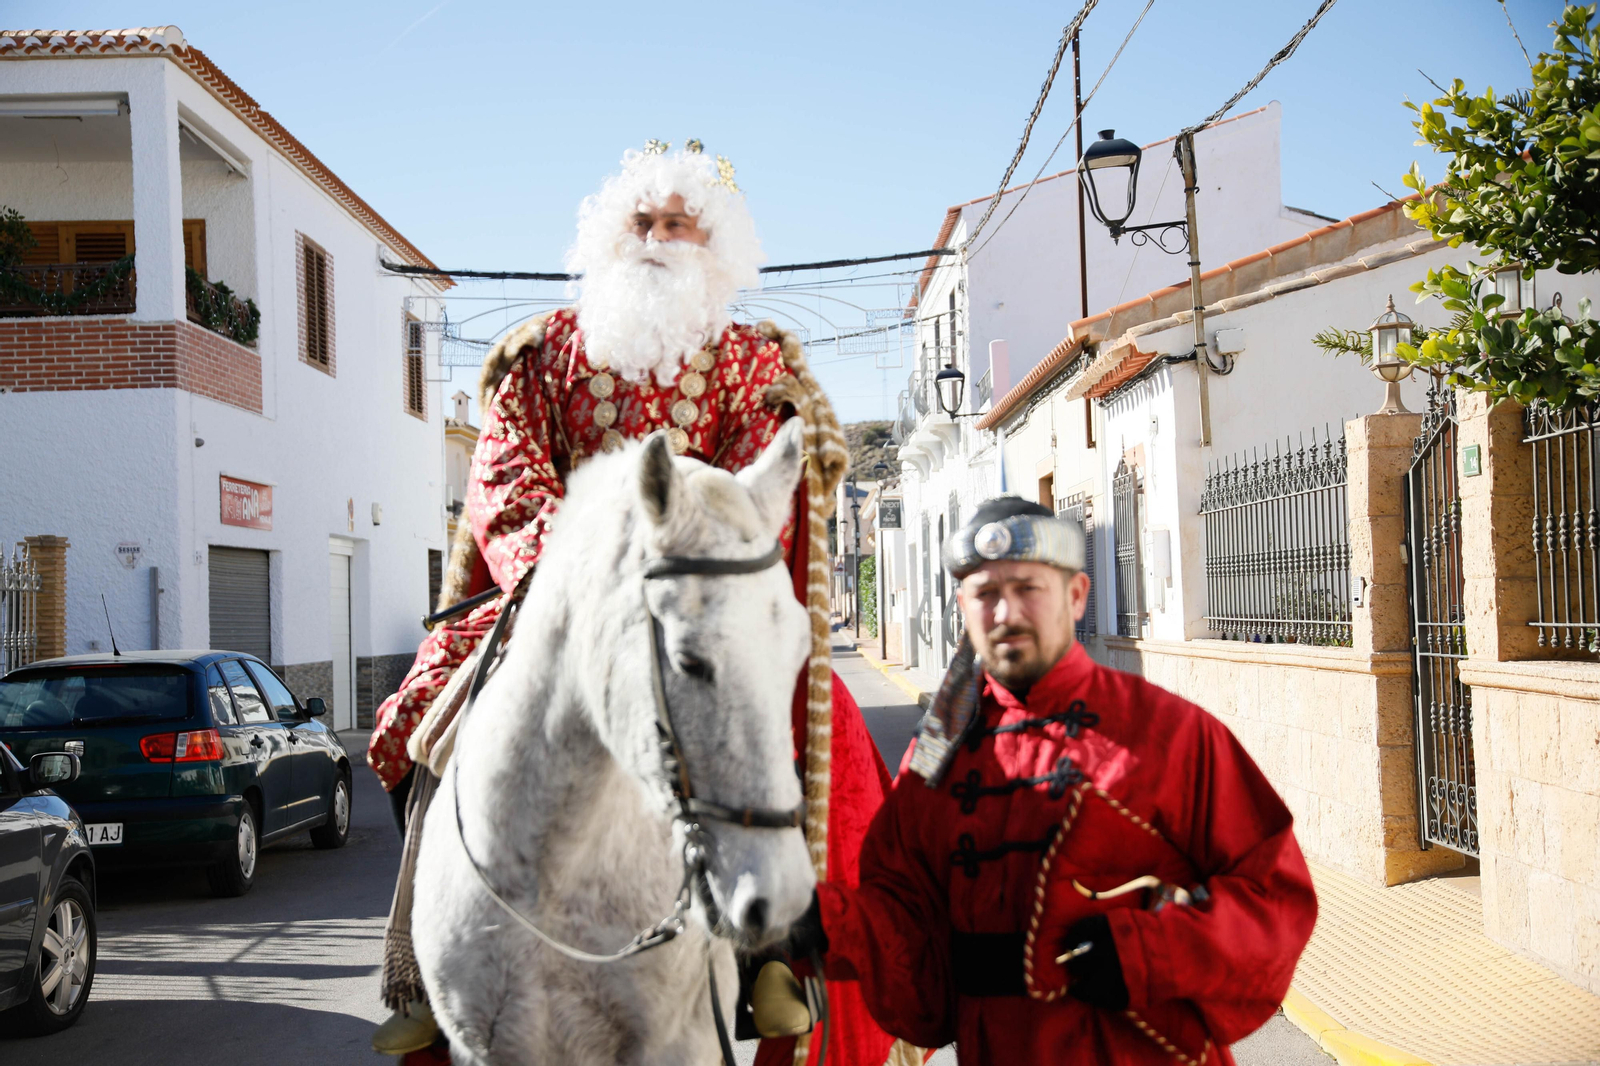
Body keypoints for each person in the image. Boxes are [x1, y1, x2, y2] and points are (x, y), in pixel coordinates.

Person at [369, 141, 913, 1066]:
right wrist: (585, 573)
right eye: (642, 222)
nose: (657, 240)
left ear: (719, 246)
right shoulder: (542, 354)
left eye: (678, 224)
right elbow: (503, 477)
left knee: (809, 739)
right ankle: (419, 965)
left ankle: (781, 956)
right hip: (553, 600)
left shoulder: (754, 365)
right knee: (422, 720)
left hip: (703, 601)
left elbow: (752, 493)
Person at [800, 496, 1318, 1065]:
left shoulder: (1168, 734)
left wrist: (1148, 954)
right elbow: (900, 909)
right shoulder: (938, 758)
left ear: (1075, 597)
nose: (1006, 613)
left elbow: (1274, 897)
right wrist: (814, 919)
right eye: (986, 593)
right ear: (962, 606)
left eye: (1028, 588)